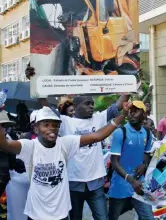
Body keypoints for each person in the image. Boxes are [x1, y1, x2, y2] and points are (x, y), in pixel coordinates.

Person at [0, 103, 131, 220]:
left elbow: (97, 136)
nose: (52, 128)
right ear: (36, 129)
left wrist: (122, 114)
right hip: (36, 214)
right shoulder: (29, 146)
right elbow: (3, 143)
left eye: (55, 125)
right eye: (46, 125)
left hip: (61, 214)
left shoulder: (65, 143)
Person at [26, 64, 131, 219]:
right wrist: (35, 80)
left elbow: (119, 104)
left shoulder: (99, 117)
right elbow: (46, 108)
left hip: (96, 183)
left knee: (102, 217)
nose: (91, 106)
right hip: (73, 182)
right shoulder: (64, 122)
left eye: (92, 103)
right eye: (87, 103)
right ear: (75, 106)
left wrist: (129, 83)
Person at [108, 101, 153, 220]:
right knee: (112, 217)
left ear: (144, 115)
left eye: (136, 111)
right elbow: (114, 162)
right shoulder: (120, 132)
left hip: (139, 185)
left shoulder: (147, 133)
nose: (132, 114)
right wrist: (131, 180)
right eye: (130, 111)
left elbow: (147, 153)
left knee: (148, 217)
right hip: (120, 186)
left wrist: (144, 164)